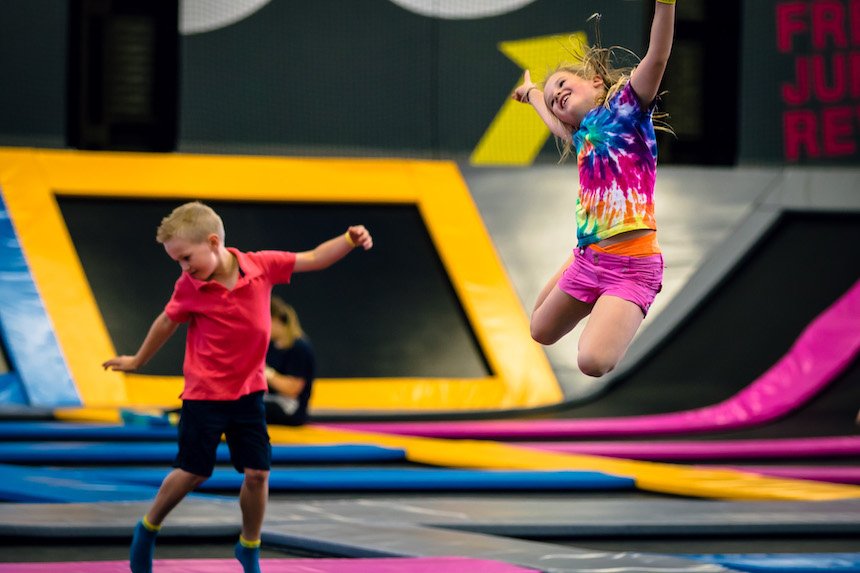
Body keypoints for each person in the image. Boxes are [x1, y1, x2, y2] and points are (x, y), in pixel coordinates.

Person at [101, 201, 372, 573]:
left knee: (258, 474)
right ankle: (148, 527)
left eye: (186, 257)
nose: (183, 268)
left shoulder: (261, 265)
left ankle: (249, 545)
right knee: (194, 471)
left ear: (213, 242)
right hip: (204, 395)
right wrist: (137, 361)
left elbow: (314, 258)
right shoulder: (190, 286)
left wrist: (348, 239)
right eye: (177, 261)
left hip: (249, 394)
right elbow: (167, 321)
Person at [511, 1, 676, 378]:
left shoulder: (627, 108)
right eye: (556, 101)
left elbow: (657, 57)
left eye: (564, 87)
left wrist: (665, 6)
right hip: (591, 258)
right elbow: (556, 127)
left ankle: (618, 304)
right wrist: (533, 94)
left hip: (632, 265)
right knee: (540, 329)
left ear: (596, 83)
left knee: (592, 362)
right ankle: (580, 260)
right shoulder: (582, 134)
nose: (558, 98)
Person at [264, 296, 315, 426]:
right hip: (271, 399)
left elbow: (292, 389)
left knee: (248, 407)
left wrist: (266, 372)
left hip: (291, 407)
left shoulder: (299, 347)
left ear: (275, 320)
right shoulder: (270, 345)